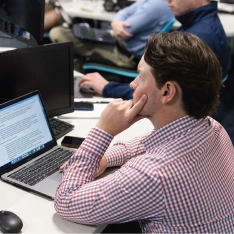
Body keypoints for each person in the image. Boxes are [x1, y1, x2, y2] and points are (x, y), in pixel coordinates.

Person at [54, 32, 234, 233]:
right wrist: (105, 159)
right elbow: (150, 142)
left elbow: (66, 201)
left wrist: (103, 131)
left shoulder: (153, 175)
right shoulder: (213, 128)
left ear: (167, 91)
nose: (132, 84)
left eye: (140, 76)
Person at [79, 0, 232, 100]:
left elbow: (157, 94)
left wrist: (107, 88)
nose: (168, 1)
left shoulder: (198, 37)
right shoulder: (201, 24)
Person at [49, 0, 174, 71]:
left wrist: (116, 23)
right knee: (70, 38)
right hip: (117, 43)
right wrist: (115, 22)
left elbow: (123, 30)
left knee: (60, 35)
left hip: (124, 55)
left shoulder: (158, 4)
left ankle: (73, 88)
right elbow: (123, 12)